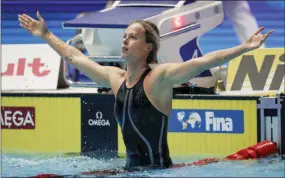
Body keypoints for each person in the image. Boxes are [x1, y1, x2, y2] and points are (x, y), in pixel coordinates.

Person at [18, 11, 273, 169]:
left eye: (132, 37)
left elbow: (205, 61)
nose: (125, 40)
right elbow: (75, 57)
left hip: (158, 173)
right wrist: (46, 35)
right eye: (124, 36)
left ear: (148, 47)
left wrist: (244, 47)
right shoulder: (115, 77)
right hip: (130, 171)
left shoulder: (159, 78)